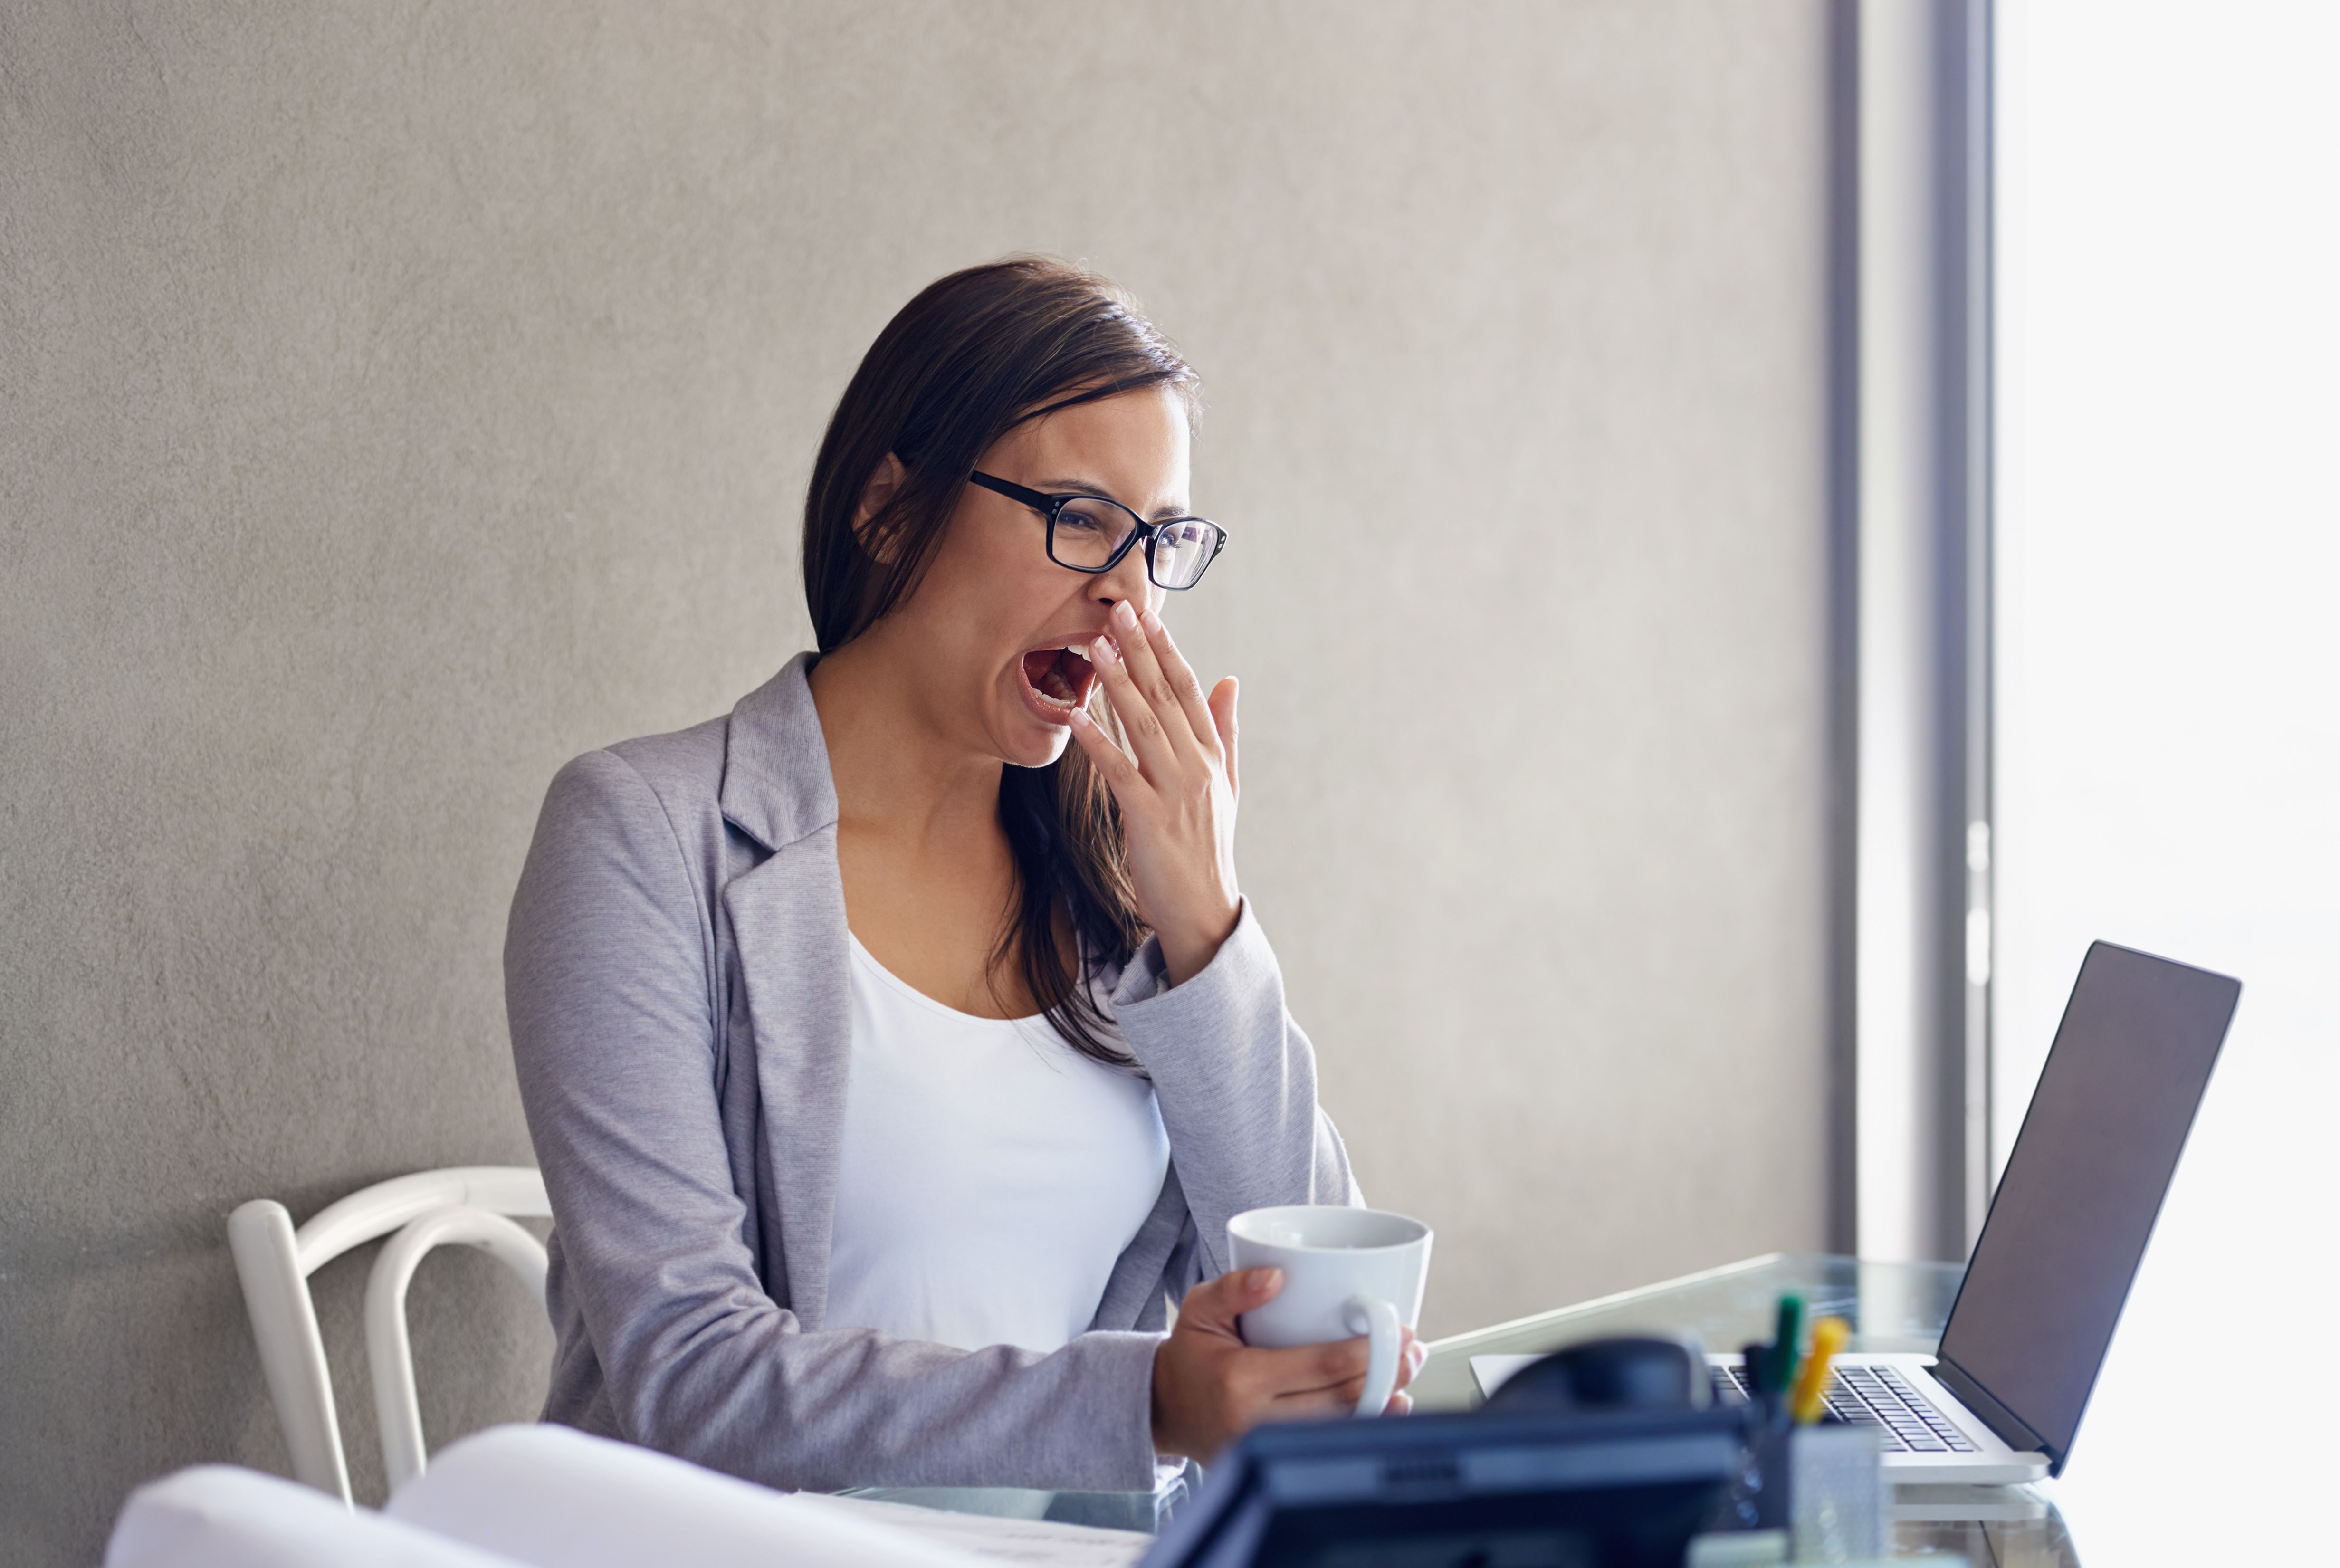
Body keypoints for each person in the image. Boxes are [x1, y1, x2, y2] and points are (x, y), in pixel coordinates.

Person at [504, 256, 1414, 1495]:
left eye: (1160, 540)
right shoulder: (645, 836)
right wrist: (1144, 1400)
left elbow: (1322, 1320)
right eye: (1080, 516)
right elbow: (692, 1380)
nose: (1125, 591)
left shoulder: (1119, 898)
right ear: (889, 509)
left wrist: (1207, 929)